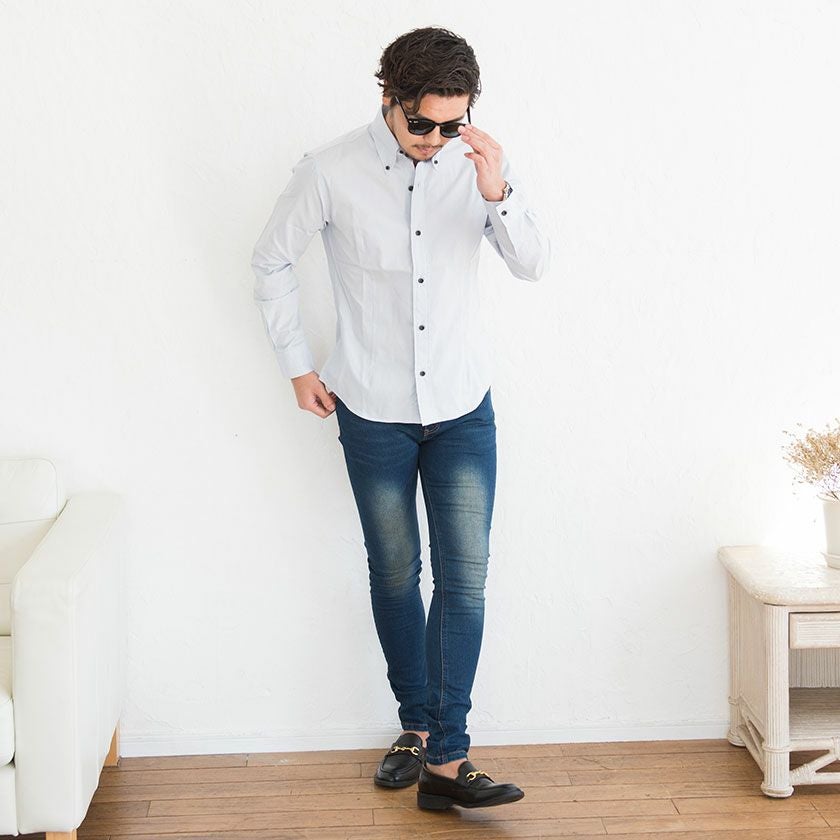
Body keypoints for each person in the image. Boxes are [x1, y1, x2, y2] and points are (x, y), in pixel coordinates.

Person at [251, 25, 550, 811]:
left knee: (465, 580)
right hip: (371, 406)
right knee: (394, 572)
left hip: (461, 405)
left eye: (452, 124)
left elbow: (532, 263)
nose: (434, 139)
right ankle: (417, 730)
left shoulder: (479, 166)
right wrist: (297, 365)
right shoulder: (330, 170)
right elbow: (270, 260)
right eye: (421, 123)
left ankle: (447, 758)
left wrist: (498, 193)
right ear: (388, 98)